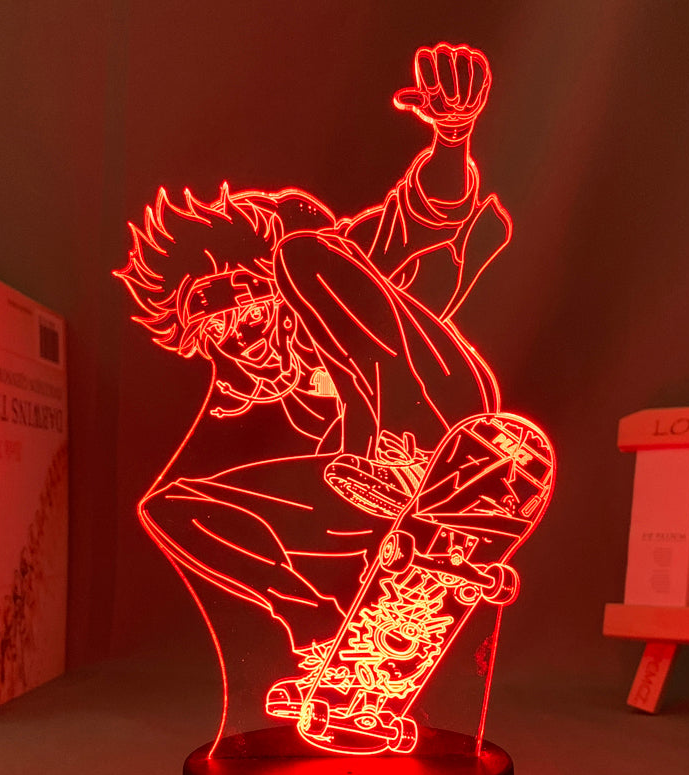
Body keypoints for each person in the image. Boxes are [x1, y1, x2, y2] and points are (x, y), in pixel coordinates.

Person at [117, 43, 512, 658]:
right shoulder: (236, 395)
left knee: (303, 253)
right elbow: (198, 512)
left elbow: (424, 212)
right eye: (220, 331)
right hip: (367, 489)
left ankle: (397, 449)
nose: (244, 341)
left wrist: (452, 139)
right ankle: (323, 624)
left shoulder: (330, 269)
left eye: (252, 311)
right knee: (170, 507)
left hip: (443, 405)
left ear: (278, 297)